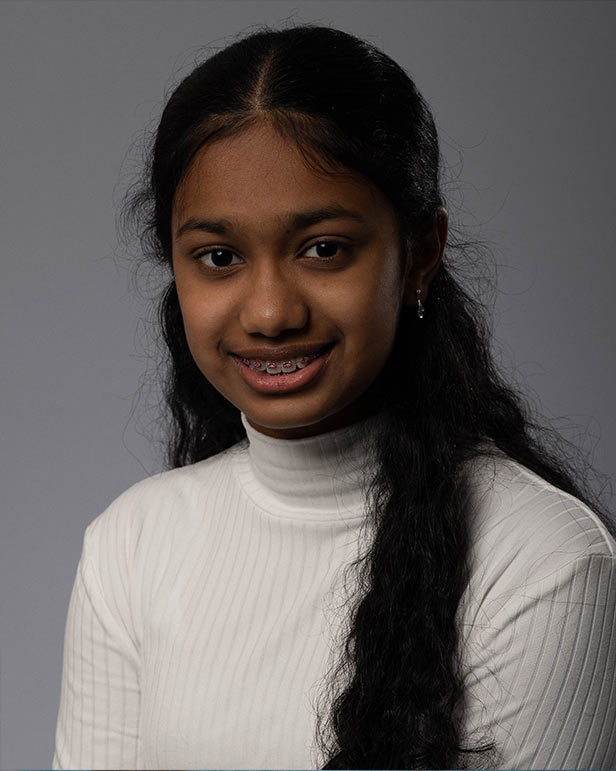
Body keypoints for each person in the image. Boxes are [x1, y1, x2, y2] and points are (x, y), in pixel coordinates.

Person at [52, 24, 616, 771]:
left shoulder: (544, 562)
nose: (269, 313)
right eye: (218, 257)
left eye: (323, 249)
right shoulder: (131, 544)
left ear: (420, 254)